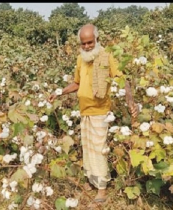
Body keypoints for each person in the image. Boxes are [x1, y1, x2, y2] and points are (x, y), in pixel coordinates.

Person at [48, 23, 123, 208]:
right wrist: (60, 92)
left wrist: (128, 99)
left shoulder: (107, 56)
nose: (87, 46)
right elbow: (76, 83)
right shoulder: (81, 59)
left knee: (99, 149)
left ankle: (102, 189)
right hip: (85, 111)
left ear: (96, 40)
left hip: (100, 112)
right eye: (84, 43)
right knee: (88, 149)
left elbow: (121, 78)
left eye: (90, 42)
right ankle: (93, 181)